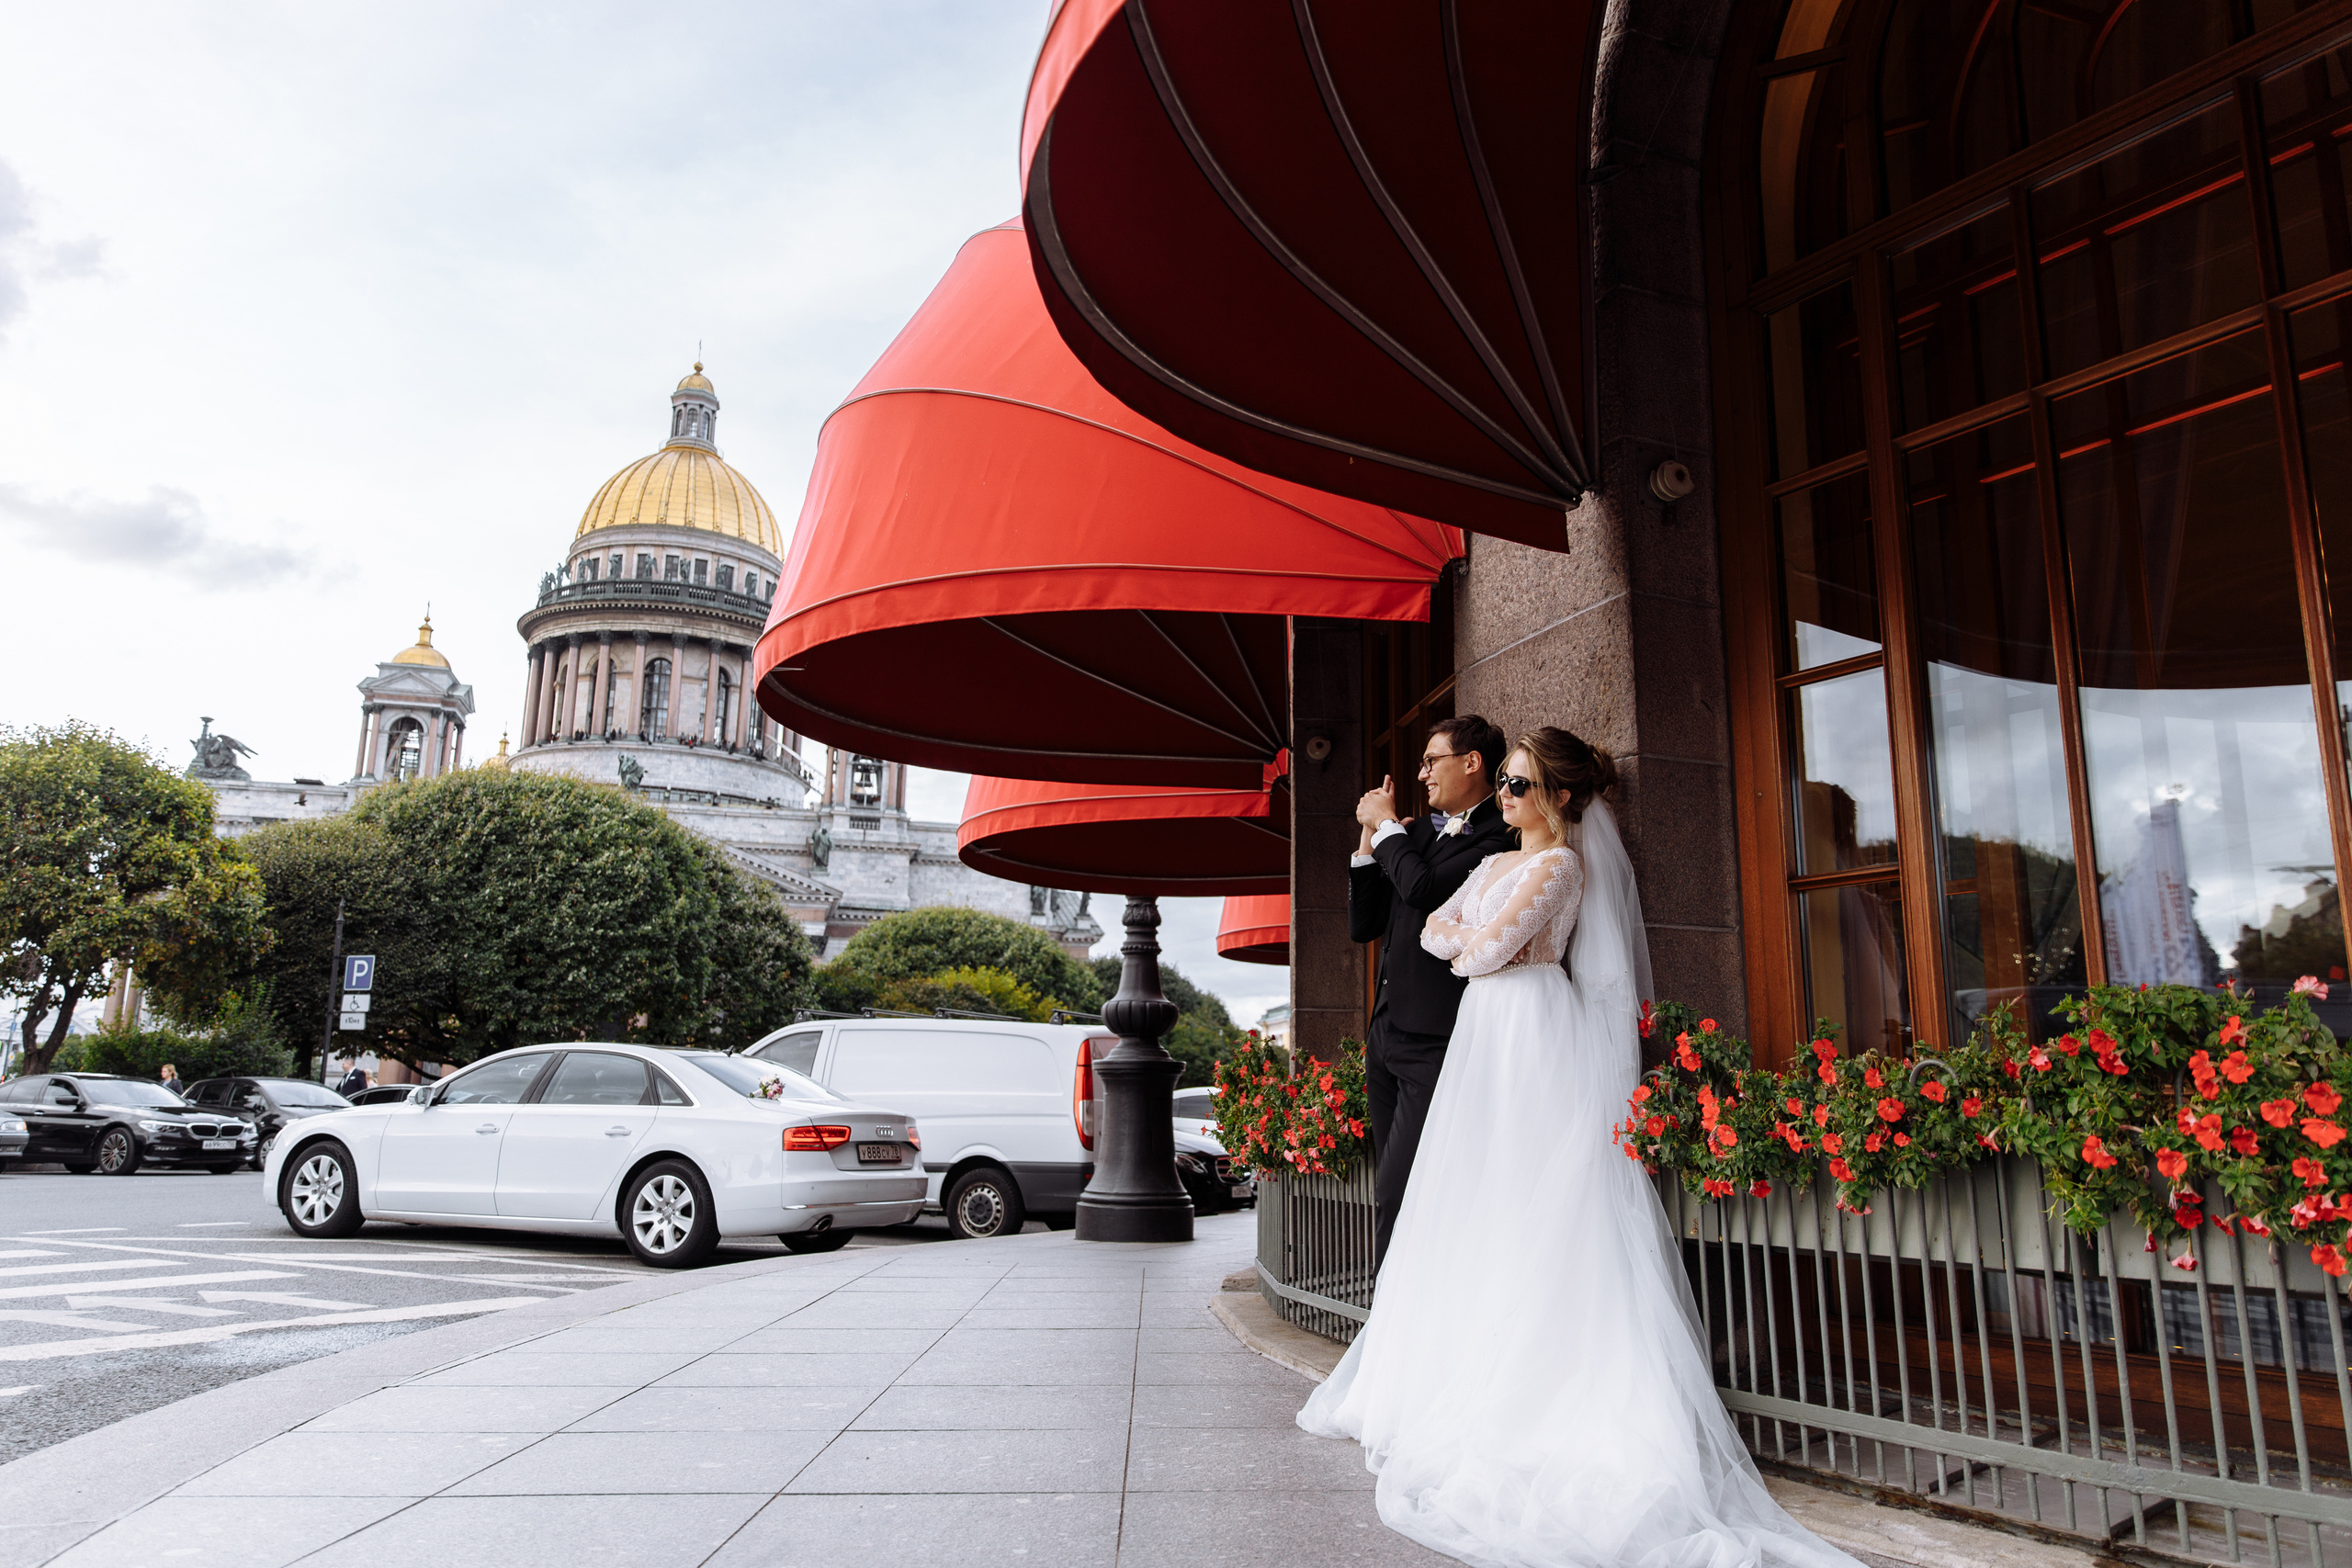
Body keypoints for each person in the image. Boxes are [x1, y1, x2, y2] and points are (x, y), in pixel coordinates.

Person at [1302, 728, 1862, 1568]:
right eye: (1506, 789)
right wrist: (1470, 936)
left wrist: (1474, 939)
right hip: (1484, 1043)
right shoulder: (1494, 864)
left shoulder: (1560, 867)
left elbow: (1477, 947)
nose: (1508, 800)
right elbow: (1429, 932)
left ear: (1556, 798)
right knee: (1465, 1198)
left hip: (1533, 1033)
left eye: (1520, 787)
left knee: (1539, 1199)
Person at [1349, 715, 1514, 1263]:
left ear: (1471, 763)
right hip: (1385, 1033)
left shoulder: (1500, 837)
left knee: (1399, 1189)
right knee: (1397, 1183)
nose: (1422, 774)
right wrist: (1369, 839)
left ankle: (1385, 1331)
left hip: (1436, 1041)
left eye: (1430, 761)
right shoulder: (1415, 835)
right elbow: (1363, 924)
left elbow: (1422, 888)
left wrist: (1389, 824)